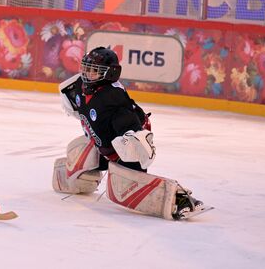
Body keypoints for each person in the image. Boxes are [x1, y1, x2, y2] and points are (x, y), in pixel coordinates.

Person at [53, 46, 209, 220]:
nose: (87, 74)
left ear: (110, 74)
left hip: (123, 152)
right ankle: (80, 177)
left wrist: (131, 141)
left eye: (94, 71)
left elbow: (134, 132)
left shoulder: (114, 99)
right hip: (102, 145)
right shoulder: (80, 87)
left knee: (123, 188)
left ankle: (178, 199)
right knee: (79, 151)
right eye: (86, 68)